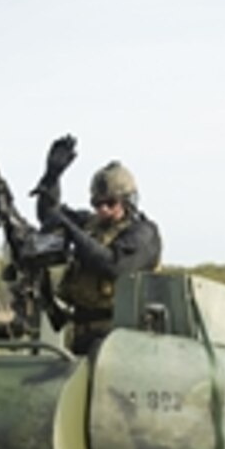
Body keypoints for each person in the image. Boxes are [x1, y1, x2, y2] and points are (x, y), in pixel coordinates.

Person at [33, 135, 162, 354]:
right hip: (80, 334)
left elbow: (114, 265)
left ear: (127, 201)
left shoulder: (144, 233)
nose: (103, 209)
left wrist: (71, 230)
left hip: (121, 340)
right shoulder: (89, 225)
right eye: (97, 203)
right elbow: (49, 215)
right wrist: (51, 177)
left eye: (110, 203)